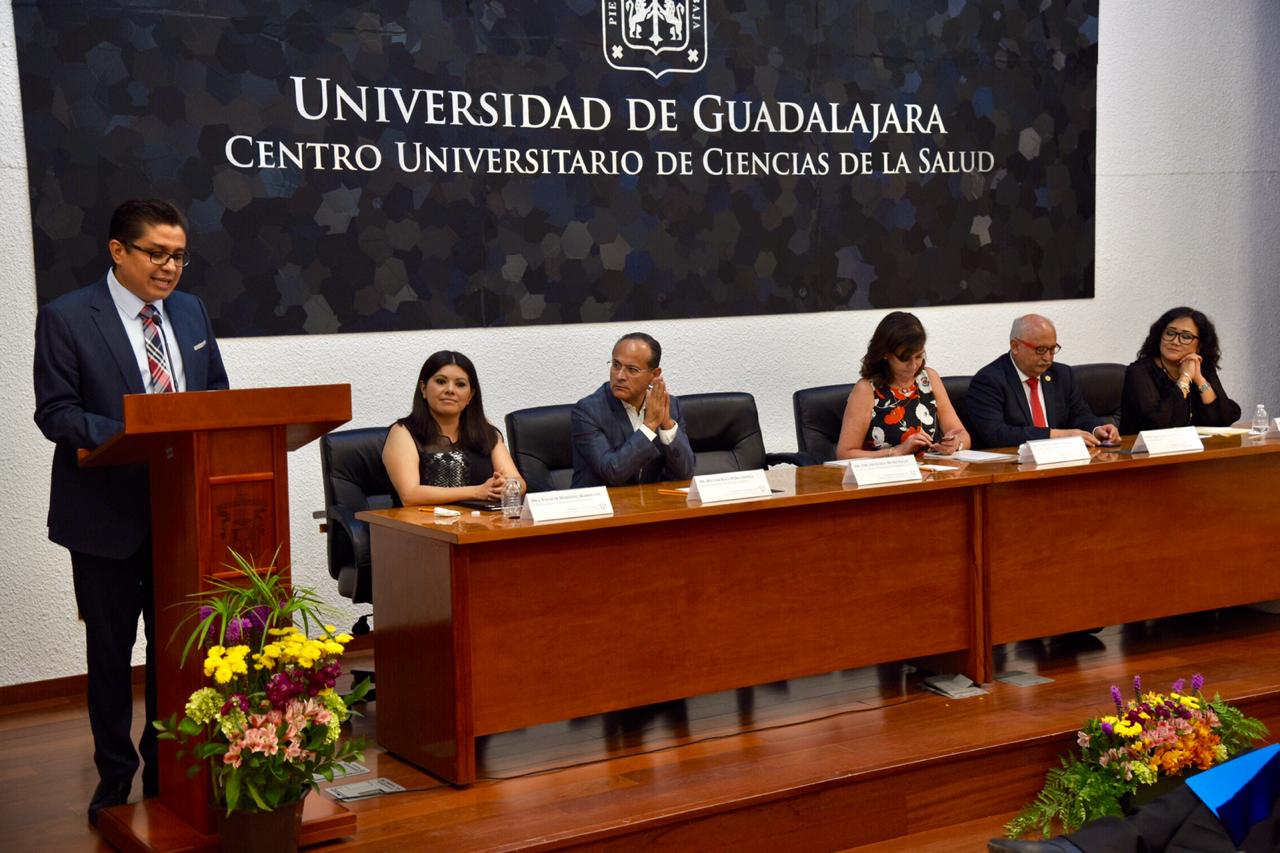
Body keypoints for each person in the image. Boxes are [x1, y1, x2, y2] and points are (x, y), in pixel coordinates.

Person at [33, 199, 229, 825]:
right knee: (111, 657)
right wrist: (134, 430)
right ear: (118, 251)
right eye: (157, 254)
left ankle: (167, 766)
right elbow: (55, 411)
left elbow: (216, 395)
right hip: (104, 520)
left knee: (177, 655)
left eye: (179, 256)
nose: (171, 268)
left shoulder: (192, 311)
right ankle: (115, 775)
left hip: (183, 518)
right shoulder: (67, 317)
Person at [382, 350, 523, 506]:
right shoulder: (403, 432)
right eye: (441, 382)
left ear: (470, 395)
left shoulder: (487, 434)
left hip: (480, 526)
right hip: (420, 527)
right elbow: (410, 495)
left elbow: (518, 482)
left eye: (460, 384)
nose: (450, 390)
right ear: (423, 389)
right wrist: (477, 492)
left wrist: (503, 486)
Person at [966, 314, 1121, 450]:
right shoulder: (989, 380)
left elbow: (1080, 415)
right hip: (1013, 467)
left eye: (1052, 349)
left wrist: (1097, 429)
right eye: (1040, 350)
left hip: (1060, 461)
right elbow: (996, 434)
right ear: (1015, 346)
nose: (1048, 358)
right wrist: (1054, 435)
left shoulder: (1062, 375)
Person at [836, 311, 970, 459]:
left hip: (932, 473)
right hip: (886, 477)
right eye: (905, 359)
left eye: (919, 356)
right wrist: (896, 452)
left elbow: (961, 434)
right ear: (885, 354)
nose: (913, 365)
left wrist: (956, 443)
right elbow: (844, 454)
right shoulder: (866, 389)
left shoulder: (929, 378)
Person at [571, 332, 695, 487]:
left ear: (654, 374)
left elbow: (686, 472)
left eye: (632, 369)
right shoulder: (588, 411)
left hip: (651, 505)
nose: (620, 376)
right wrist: (649, 426)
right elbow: (613, 472)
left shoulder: (670, 406)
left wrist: (667, 424)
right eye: (616, 365)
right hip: (602, 506)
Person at [1120, 307, 1241, 434]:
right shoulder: (1139, 372)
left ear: (1199, 346)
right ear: (1159, 336)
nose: (1175, 341)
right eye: (1170, 333)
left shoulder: (1203, 369)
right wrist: (1185, 378)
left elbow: (1224, 418)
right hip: (1144, 451)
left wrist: (1199, 379)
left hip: (1195, 450)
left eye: (1186, 336)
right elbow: (1157, 424)